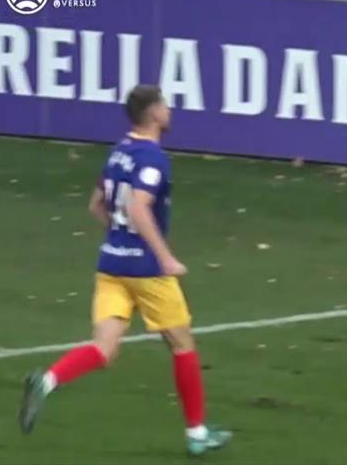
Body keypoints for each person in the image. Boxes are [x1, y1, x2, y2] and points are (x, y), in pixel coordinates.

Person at [18, 85, 231, 455]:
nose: (170, 110)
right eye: (164, 105)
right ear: (152, 114)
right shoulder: (153, 158)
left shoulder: (119, 153)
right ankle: (197, 434)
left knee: (104, 348)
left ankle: (48, 380)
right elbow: (138, 207)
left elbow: (96, 204)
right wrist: (163, 256)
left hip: (111, 264)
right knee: (182, 345)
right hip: (146, 270)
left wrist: (119, 238)